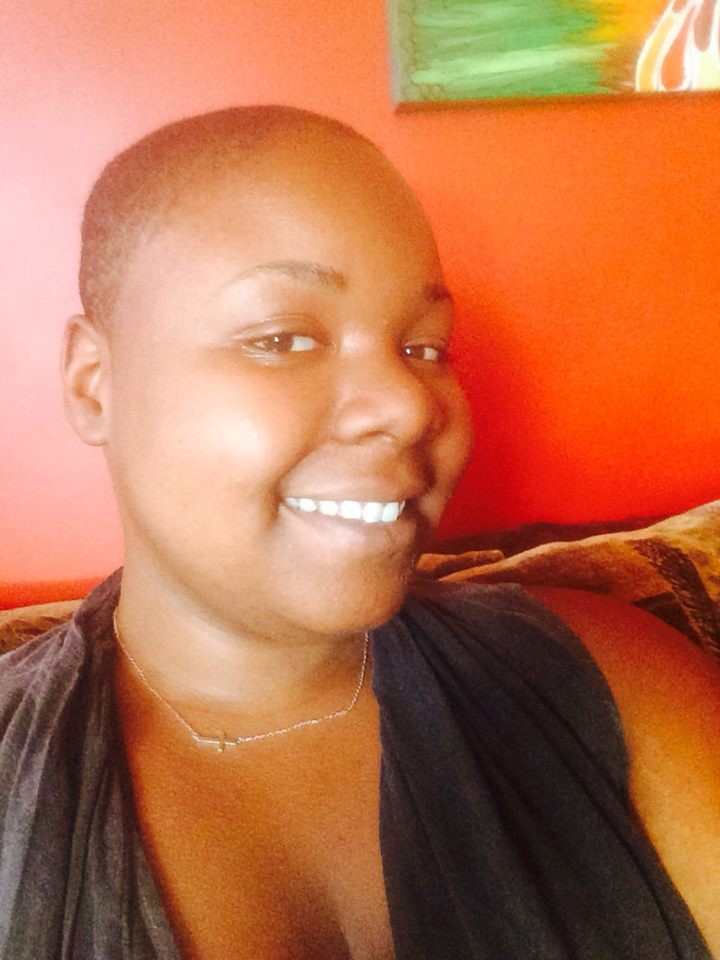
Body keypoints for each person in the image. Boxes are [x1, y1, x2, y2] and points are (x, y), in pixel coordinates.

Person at [0, 106, 718, 960]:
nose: (410, 406)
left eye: (426, 348)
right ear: (94, 385)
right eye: (283, 338)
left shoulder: (616, 685)